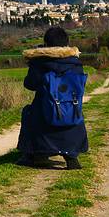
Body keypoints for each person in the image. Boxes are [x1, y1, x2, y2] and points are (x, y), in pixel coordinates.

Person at [16, 26, 88, 170]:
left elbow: (29, 84)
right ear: (66, 43)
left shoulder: (40, 63)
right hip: (71, 111)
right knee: (72, 113)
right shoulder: (76, 64)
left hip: (44, 114)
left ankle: (37, 154)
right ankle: (71, 157)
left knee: (30, 112)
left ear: (46, 44)